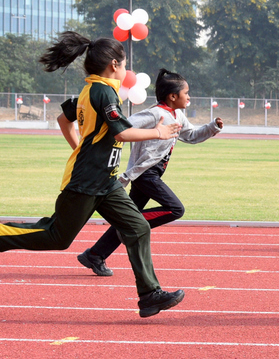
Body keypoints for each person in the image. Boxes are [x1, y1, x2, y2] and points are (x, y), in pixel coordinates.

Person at [0, 32, 184, 318]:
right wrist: (158, 132)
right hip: (86, 182)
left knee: (137, 228)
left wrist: (79, 147)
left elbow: (64, 119)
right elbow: (121, 131)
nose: (126, 71)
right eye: (124, 66)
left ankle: (150, 295)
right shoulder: (102, 91)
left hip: (106, 182)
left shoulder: (93, 90)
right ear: (113, 64)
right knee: (56, 237)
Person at [76, 68, 224, 275]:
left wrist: (212, 127)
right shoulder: (155, 114)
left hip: (151, 174)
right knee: (175, 209)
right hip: (145, 173)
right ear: (173, 96)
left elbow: (191, 135)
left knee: (127, 216)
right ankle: (128, 227)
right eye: (186, 93)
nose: (189, 97)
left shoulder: (177, 115)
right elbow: (123, 127)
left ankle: (95, 254)